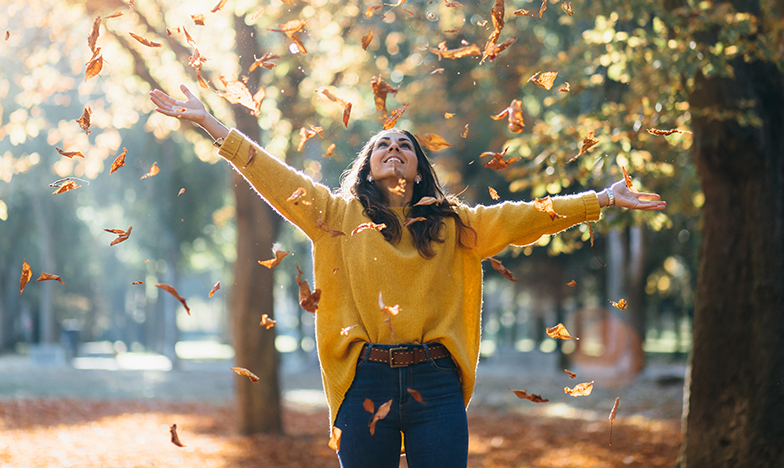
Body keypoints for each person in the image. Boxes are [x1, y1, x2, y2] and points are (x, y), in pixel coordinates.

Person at [149, 84, 666, 468]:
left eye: (404, 145)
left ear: (418, 167)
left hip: (436, 383)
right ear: (368, 166)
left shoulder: (455, 224)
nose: (393, 148)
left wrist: (598, 199)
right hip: (364, 380)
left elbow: (526, 215)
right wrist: (209, 123)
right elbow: (272, 175)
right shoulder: (335, 216)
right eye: (382, 145)